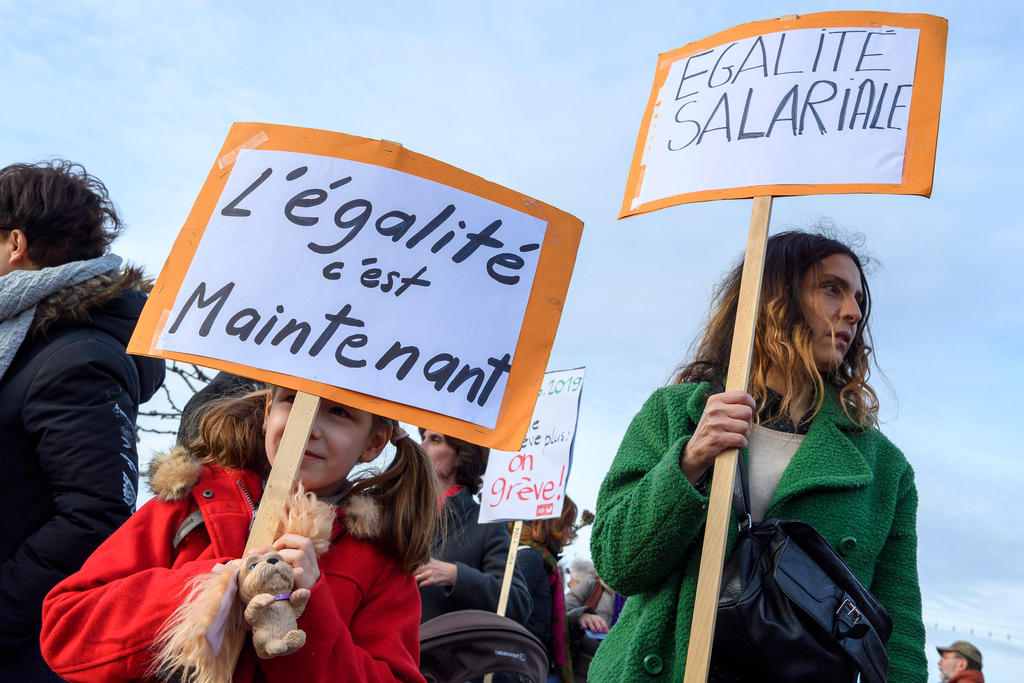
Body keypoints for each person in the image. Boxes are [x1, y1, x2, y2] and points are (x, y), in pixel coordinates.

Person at [590, 231, 927, 681]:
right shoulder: (675, 414)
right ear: (773, 298)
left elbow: (899, 633)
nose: (853, 312)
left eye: (858, 299)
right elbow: (618, 565)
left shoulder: (885, 470)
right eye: (831, 288)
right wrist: (690, 460)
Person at [40, 386, 439, 682]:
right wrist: (210, 588)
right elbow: (66, 631)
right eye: (292, 401)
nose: (309, 427)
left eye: (338, 412)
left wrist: (303, 616)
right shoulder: (190, 503)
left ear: (373, 443)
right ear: (268, 410)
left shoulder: (380, 560)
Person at [0, 160, 165, 680]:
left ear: (15, 244)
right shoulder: (24, 343)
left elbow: (95, 515)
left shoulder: (76, 356)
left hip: (20, 651)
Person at [416, 429, 531, 623]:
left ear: (461, 456)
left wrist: (456, 575)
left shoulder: (486, 524)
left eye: (435, 439)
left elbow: (517, 603)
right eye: (423, 438)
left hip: (439, 648)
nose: (421, 446)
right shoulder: (403, 511)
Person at [511, 497, 578, 682]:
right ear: (553, 524)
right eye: (567, 525)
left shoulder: (541, 560)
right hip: (522, 665)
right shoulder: (530, 558)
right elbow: (512, 611)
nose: (570, 534)